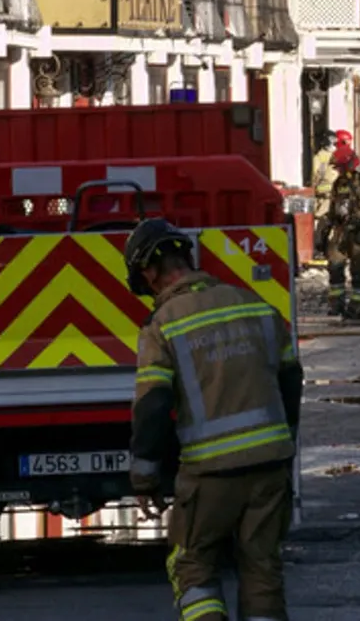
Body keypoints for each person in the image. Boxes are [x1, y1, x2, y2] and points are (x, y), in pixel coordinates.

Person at [125, 217, 304, 621]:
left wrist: (145, 477)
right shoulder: (256, 306)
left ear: (150, 273)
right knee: (261, 568)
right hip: (271, 465)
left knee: (191, 565)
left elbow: (152, 405)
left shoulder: (163, 326)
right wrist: (284, 440)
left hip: (211, 474)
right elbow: (291, 380)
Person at [326, 145, 360, 323]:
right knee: (334, 265)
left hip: (358, 233)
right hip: (341, 231)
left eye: (340, 167)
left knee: (358, 271)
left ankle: (357, 307)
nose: (338, 171)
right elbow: (333, 208)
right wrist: (324, 230)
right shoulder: (338, 184)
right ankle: (336, 304)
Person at [312, 129, 352, 259]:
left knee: (324, 222)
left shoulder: (319, 156)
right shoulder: (335, 156)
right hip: (332, 194)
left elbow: (315, 176)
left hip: (327, 194)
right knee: (331, 222)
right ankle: (328, 249)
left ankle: (323, 249)